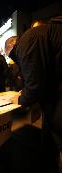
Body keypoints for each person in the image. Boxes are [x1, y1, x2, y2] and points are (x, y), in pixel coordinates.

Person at [10, 16, 62, 172]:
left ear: (12, 45)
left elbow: (34, 86)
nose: (14, 61)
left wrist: (20, 98)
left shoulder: (27, 40)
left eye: (12, 56)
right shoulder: (47, 34)